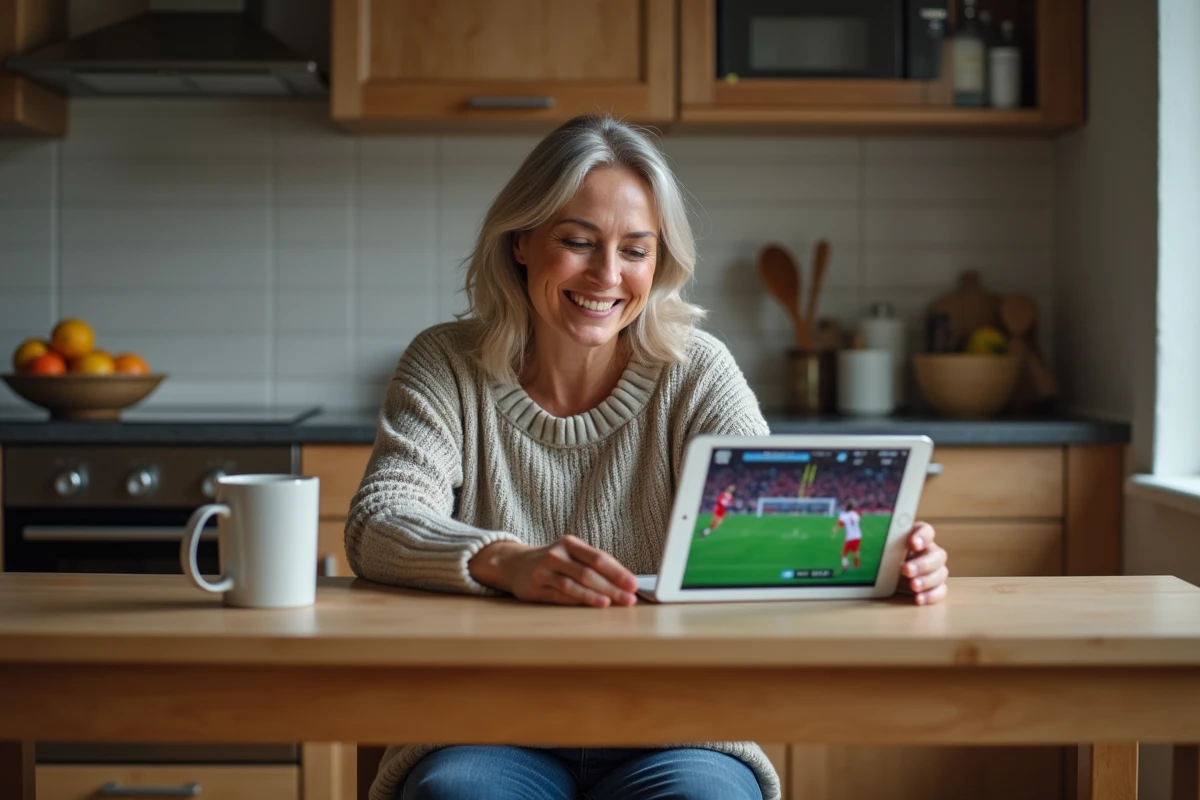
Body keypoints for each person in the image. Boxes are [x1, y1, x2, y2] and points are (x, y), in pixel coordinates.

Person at [345, 115, 951, 800]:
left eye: (636, 250)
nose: (607, 276)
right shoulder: (446, 362)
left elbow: (775, 529)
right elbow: (379, 521)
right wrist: (506, 561)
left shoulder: (695, 371)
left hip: (679, 727)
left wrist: (883, 557)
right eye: (577, 243)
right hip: (486, 723)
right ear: (521, 241)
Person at [835, 501, 863, 572]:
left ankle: (846, 566)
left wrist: (835, 529)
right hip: (858, 536)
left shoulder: (844, 516)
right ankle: (856, 564)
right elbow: (856, 519)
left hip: (850, 537)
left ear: (847, 508)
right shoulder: (856, 514)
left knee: (844, 553)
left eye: (845, 506)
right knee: (855, 550)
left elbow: (840, 524)